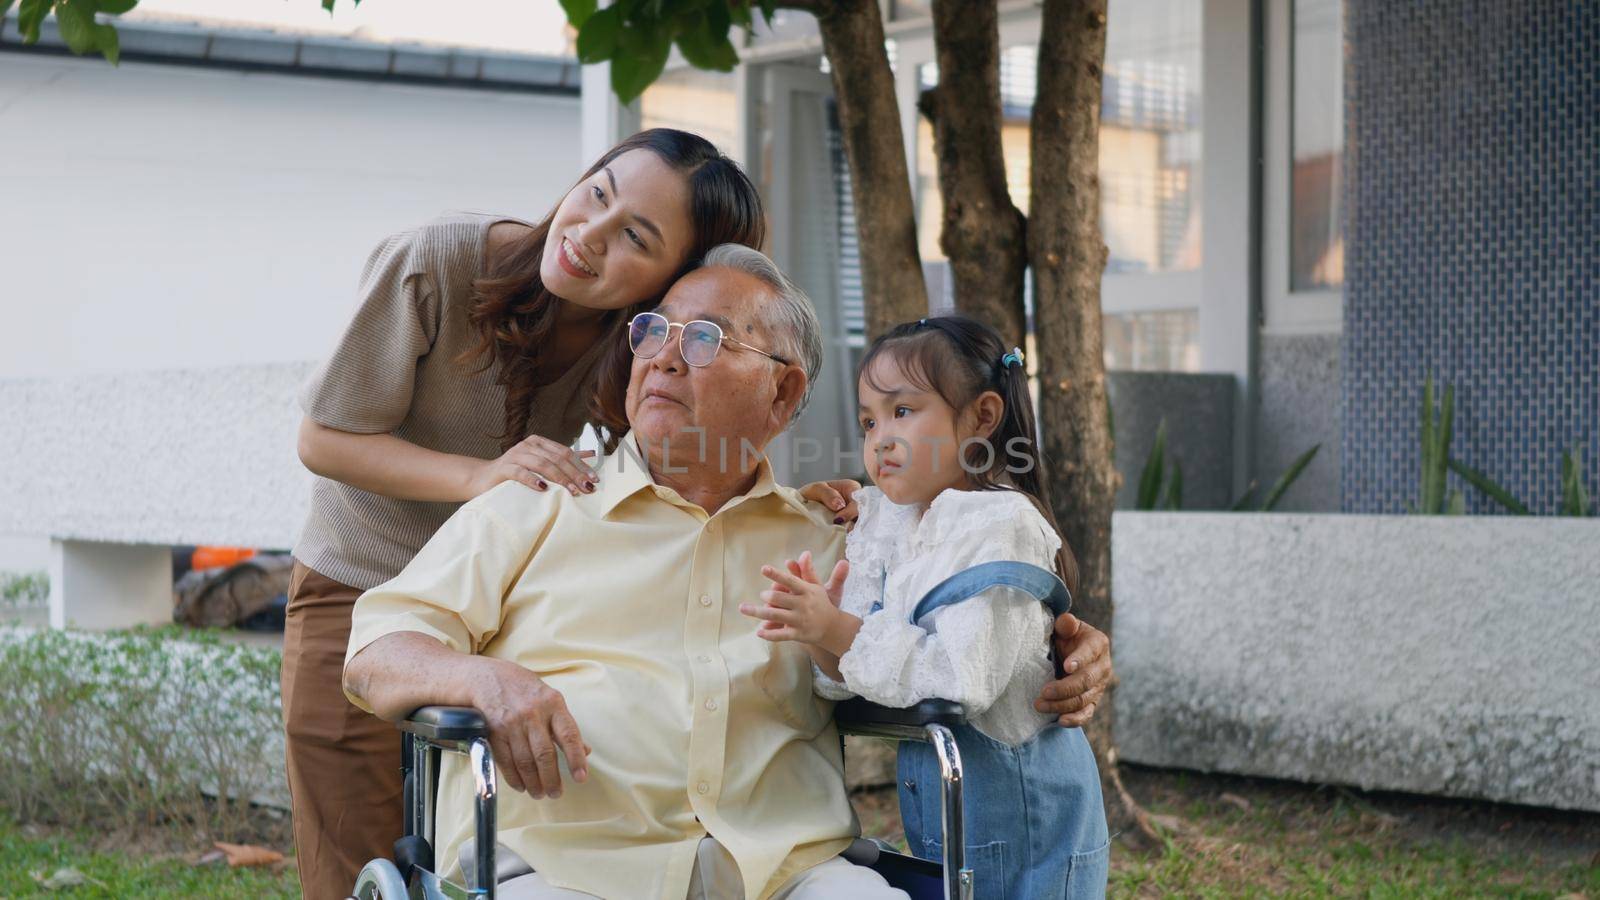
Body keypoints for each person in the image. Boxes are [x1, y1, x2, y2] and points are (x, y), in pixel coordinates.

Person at [341, 251, 1111, 899]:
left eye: (706, 338)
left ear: (784, 390)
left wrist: (1069, 640)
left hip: (786, 871)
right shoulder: (536, 506)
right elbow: (377, 652)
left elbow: (971, 610)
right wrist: (486, 682)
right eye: (654, 332)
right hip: (566, 869)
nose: (665, 355)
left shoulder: (843, 540)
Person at [284, 129, 775, 898]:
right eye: (599, 194)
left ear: (669, 283)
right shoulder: (439, 259)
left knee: (456, 861)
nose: (587, 235)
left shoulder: (639, 340)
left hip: (502, 614)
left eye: (634, 238)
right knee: (352, 863)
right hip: (359, 583)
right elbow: (323, 437)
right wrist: (481, 476)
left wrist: (810, 499)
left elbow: (691, 446)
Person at [741, 315, 1110, 898]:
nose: (879, 438)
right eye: (868, 421)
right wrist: (818, 631)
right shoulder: (891, 520)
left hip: (1028, 813)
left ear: (982, 419)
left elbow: (963, 680)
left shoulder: (1000, 523)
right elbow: (852, 676)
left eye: (902, 412)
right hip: (951, 812)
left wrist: (841, 629)